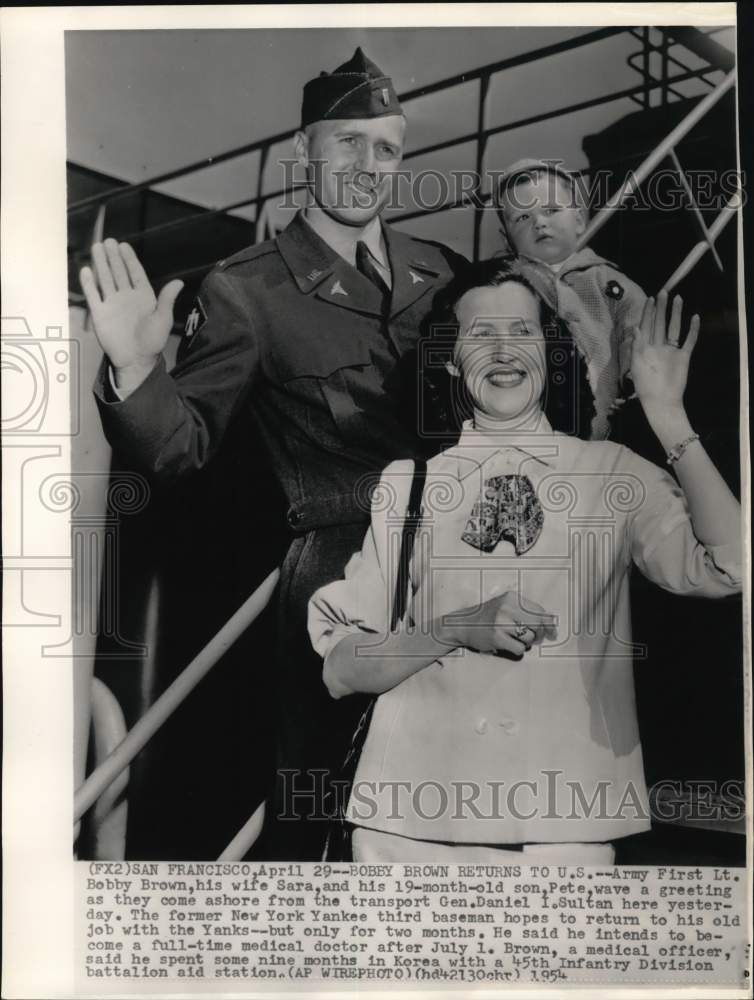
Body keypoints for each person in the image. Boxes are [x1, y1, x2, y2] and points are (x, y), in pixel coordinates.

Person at [80, 47, 465, 860]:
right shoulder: (246, 289)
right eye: (347, 144)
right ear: (305, 154)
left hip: (462, 559)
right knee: (329, 809)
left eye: (387, 148)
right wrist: (135, 370)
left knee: (460, 792)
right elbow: (178, 450)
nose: (369, 166)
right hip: (339, 574)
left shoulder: (446, 274)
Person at [308, 259, 742, 863]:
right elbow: (344, 667)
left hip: (564, 833)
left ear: (552, 351)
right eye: (480, 334)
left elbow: (732, 567)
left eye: (522, 331)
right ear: (452, 359)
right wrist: (456, 627)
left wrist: (669, 417)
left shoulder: (611, 473)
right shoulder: (407, 488)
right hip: (407, 833)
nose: (503, 350)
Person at [496, 158, 648, 439]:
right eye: (522, 217)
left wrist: (635, 381)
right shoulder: (507, 287)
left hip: (606, 419)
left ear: (579, 220)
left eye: (551, 210)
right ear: (507, 239)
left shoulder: (604, 280)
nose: (540, 223)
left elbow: (634, 329)